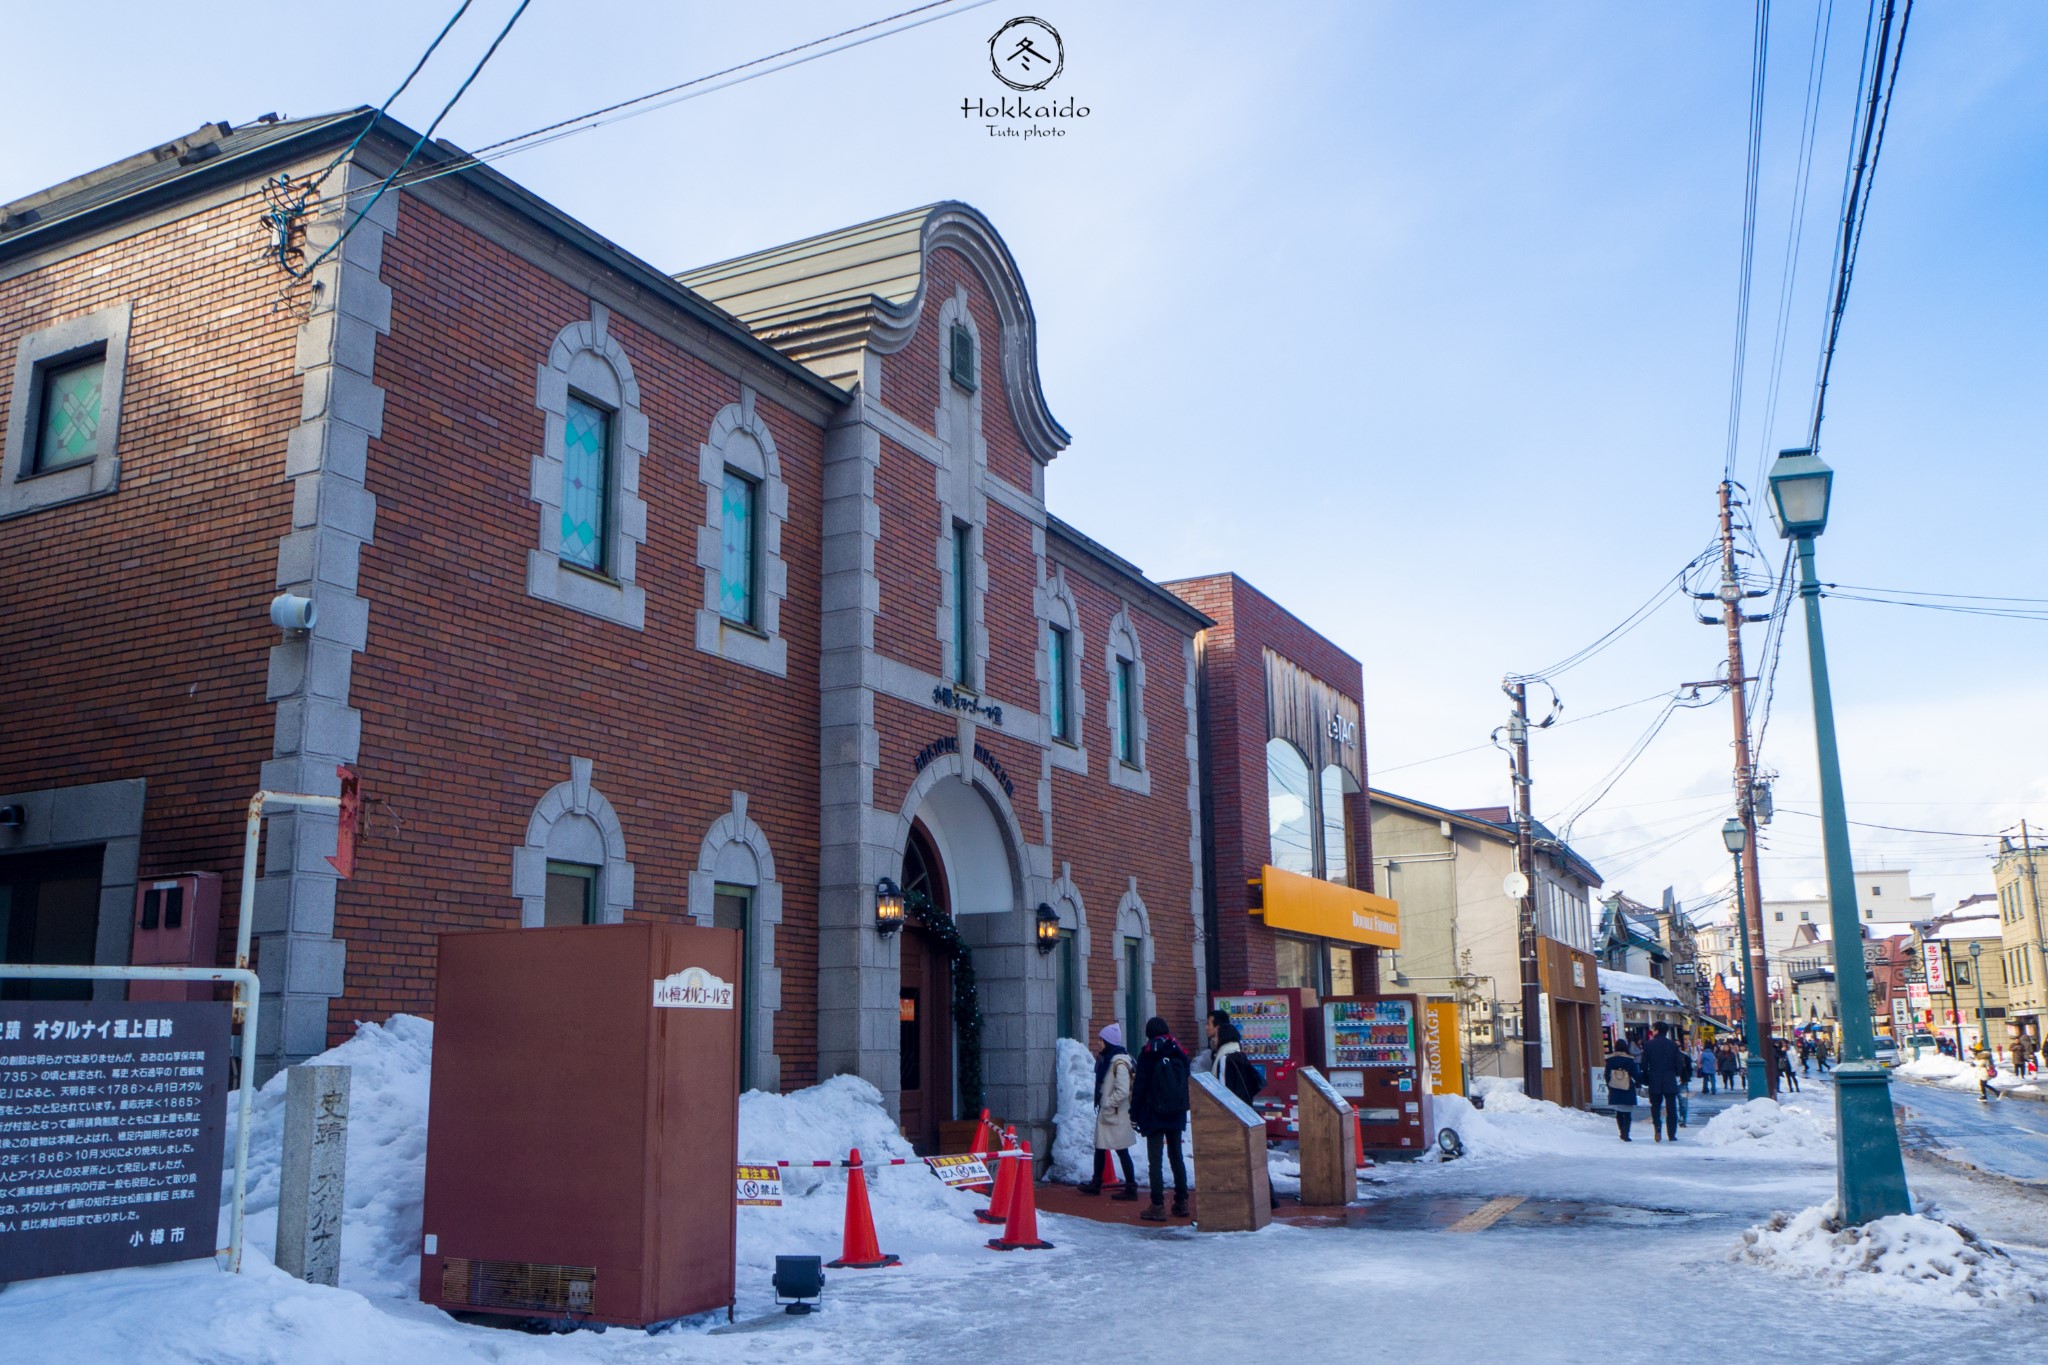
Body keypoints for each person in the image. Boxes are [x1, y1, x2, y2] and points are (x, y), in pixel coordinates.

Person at [1208, 1009, 1278, 1209]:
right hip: (1246, 1111)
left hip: (1231, 1116)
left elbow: (1220, 1090)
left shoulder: (1224, 1059)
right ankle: (1268, 1196)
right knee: (1253, 1159)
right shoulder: (1239, 1055)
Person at [1131, 1016, 1191, 1220]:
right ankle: (1181, 1202)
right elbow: (1186, 1080)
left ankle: (1157, 1205)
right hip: (1176, 1112)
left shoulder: (1148, 1054)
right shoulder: (1179, 1051)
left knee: (1155, 1160)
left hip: (1153, 1112)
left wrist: (1134, 1114)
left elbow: (1139, 1086)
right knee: (1177, 1157)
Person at [1078, 1023, 1138, 1199]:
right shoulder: (1110, 1059)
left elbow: (1122, 1090)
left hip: (1115, 1114)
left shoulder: (1118, 1063)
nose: (1098, 1043)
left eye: (1101, 1040)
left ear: (1109, 1042)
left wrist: (1107, 1103)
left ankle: (1130, 1187)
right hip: (1112, 1114)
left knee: (1120, 1149)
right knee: (1101, 1147)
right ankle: (1097, 1183)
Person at [1639, 1021, 1684, 1142]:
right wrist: (1675, 1073)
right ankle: (1672, 1134)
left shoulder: (1649, 1045)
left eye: (1653, 1029)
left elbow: (1644, 1064)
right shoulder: (1673, 1045)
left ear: (1657, 1030)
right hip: (1669, 1079)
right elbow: (1679, 1063)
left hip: (1654, 1079)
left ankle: (1658, 1128)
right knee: (1671, 1108)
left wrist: (1647, 1076)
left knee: (1655, 1106)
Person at [1604, 1038, 1641, 1141]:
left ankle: (1621, 1132)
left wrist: (1609, 1084)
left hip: (1615, 1088)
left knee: (1619, 1112)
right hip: (1627, 1087)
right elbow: (1636, 1075)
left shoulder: (1610, 1060)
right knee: (1627, 1113)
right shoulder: (1629, 1060)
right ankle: (1626, 1133)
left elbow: (1606, 1074)